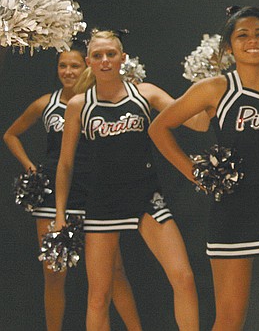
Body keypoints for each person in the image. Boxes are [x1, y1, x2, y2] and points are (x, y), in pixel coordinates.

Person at [149, 6, 259, 331]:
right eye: (242, 35)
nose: (253, 41)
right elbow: (159, 128)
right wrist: (194, 172)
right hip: (235, 216)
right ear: (229, 47)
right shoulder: (216, 89)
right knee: (230, 319)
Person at [54, 30, 205, 331]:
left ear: (123, 58)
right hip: (102, 203)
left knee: (184, 278)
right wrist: (60, 214)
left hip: (146, 196)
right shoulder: (79, 105)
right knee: (99, 296)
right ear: (89, 62)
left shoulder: (146, 93)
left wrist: (208, 91)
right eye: (98, 56)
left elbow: (197, 123)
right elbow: (66, 163)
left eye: (111, 54)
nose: (105, 60)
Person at [3, 44, 143, 331]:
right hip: (54, 197)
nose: (67, 72)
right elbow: (11, 135)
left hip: (95, 194)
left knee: (115, 273)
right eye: (62, 66)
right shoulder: (46, 103)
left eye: (74, 66)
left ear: (88, 66)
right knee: (54, 274)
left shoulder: (99, 101)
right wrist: (31, 167)